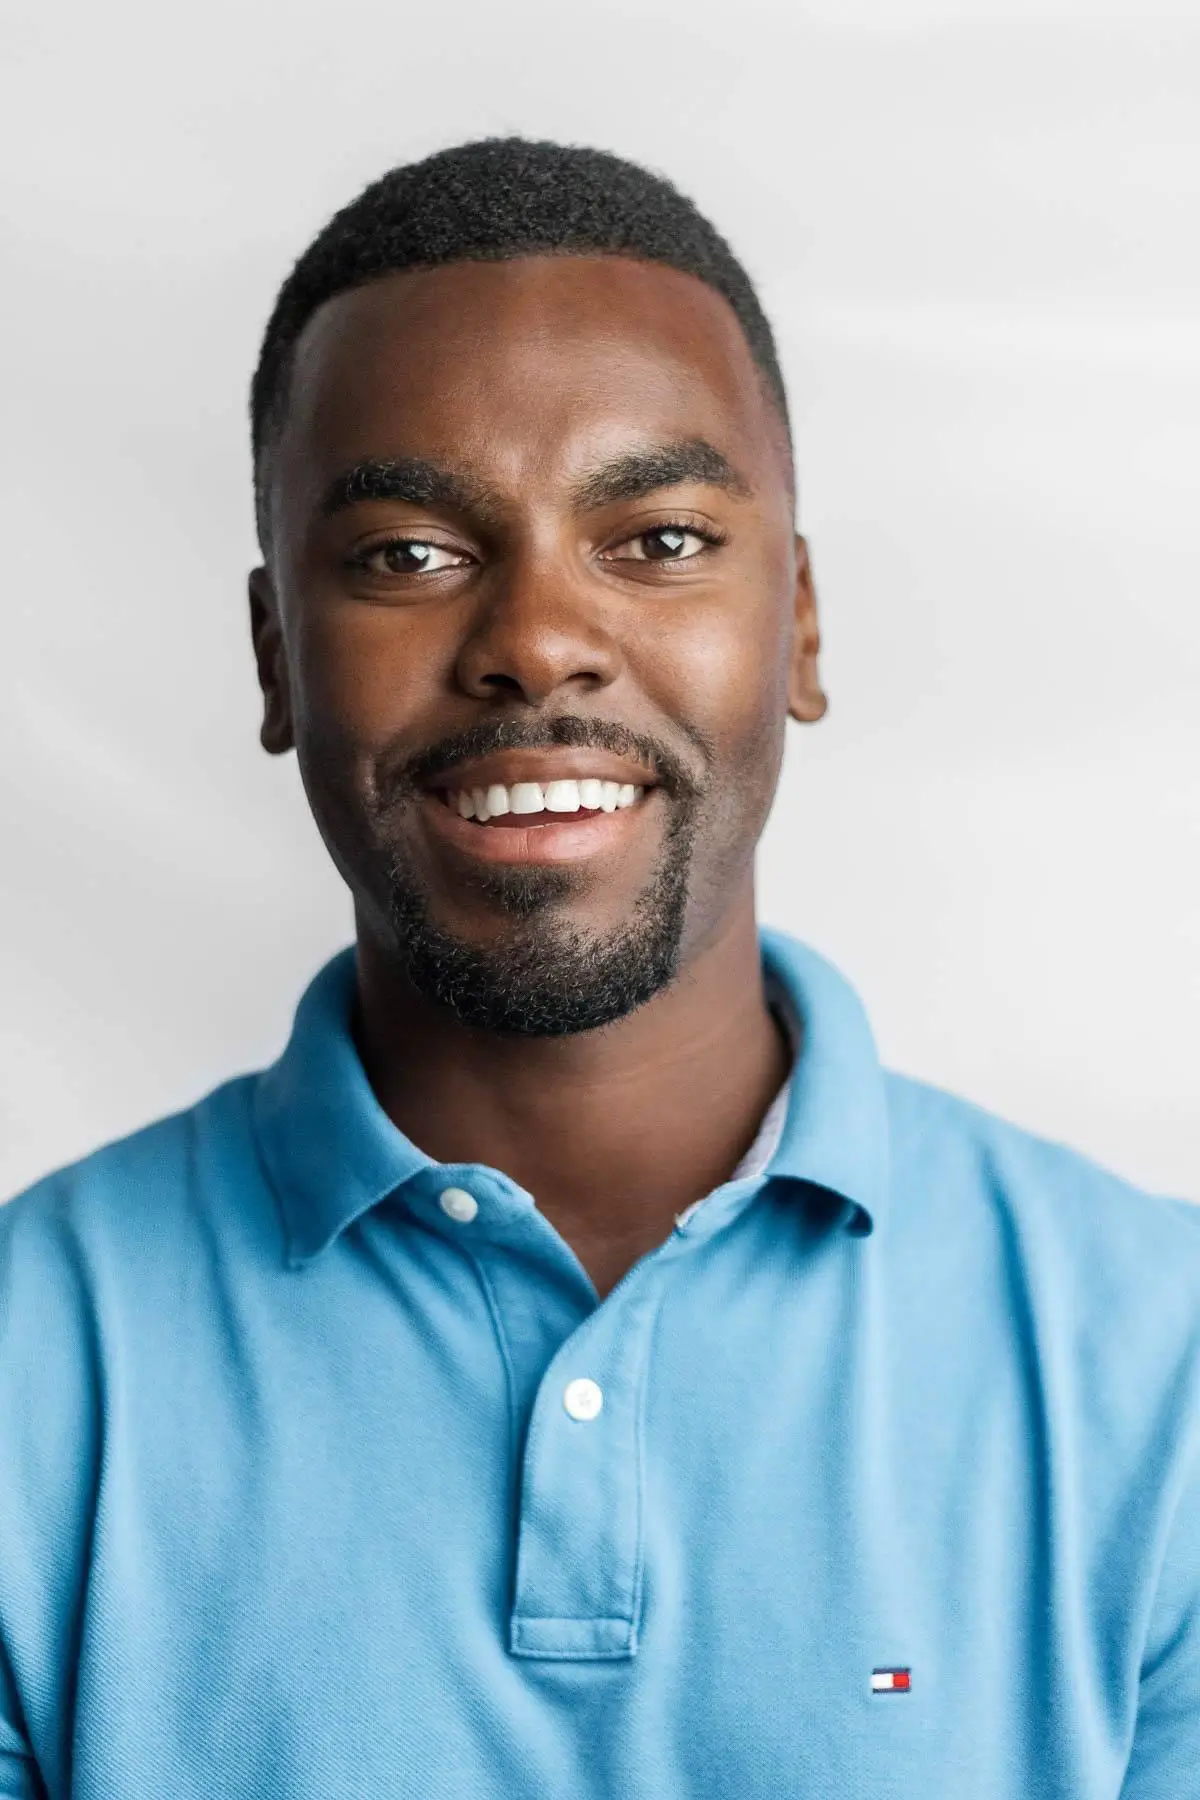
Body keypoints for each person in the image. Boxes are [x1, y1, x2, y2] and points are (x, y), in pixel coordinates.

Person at [1, 137, 1196, 1800]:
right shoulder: (27, 1368)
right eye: (411, 553)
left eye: (657, 539)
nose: (537, 640)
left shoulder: (1162, 1368)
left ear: (803, 626)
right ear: (277, 657)